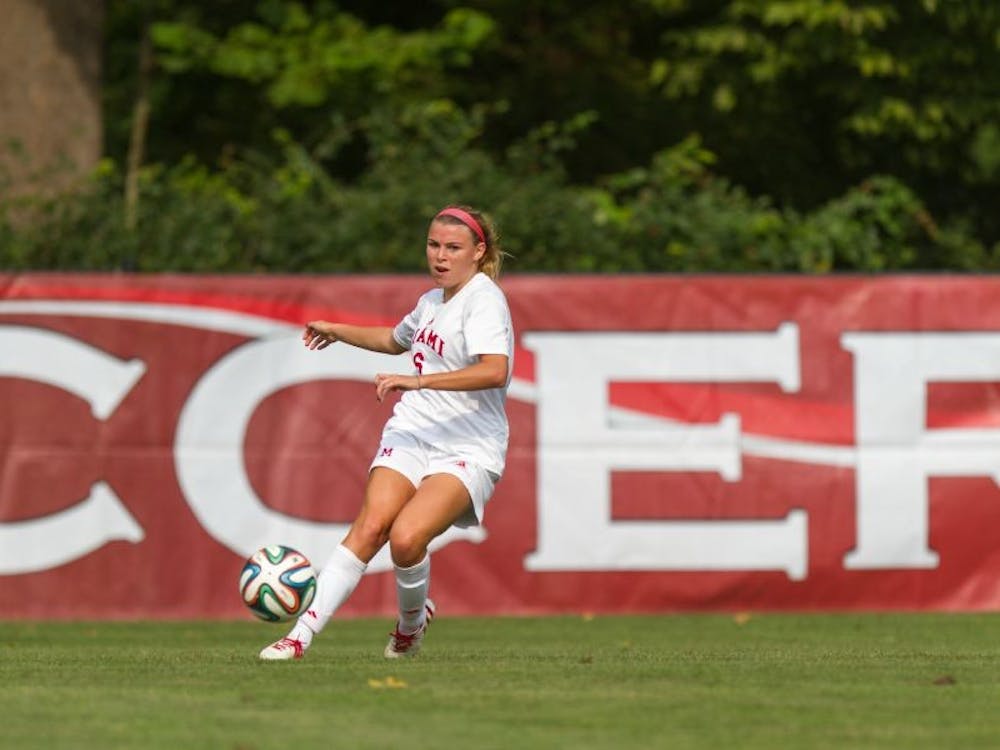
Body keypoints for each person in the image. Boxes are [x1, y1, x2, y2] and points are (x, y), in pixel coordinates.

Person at [260, 204, 514, 660]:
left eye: (453, 248)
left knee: (406, 538)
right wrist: (337, 330)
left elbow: (494, 371)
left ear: (478, 252)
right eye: (433, 245)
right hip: (414, 430)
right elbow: (396, 340)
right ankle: (298, 638)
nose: (440, 256)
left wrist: (417, 380)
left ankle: (411, 626)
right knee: (371, 526)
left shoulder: (484, 300)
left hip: (469, 443)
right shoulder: (431, 301)